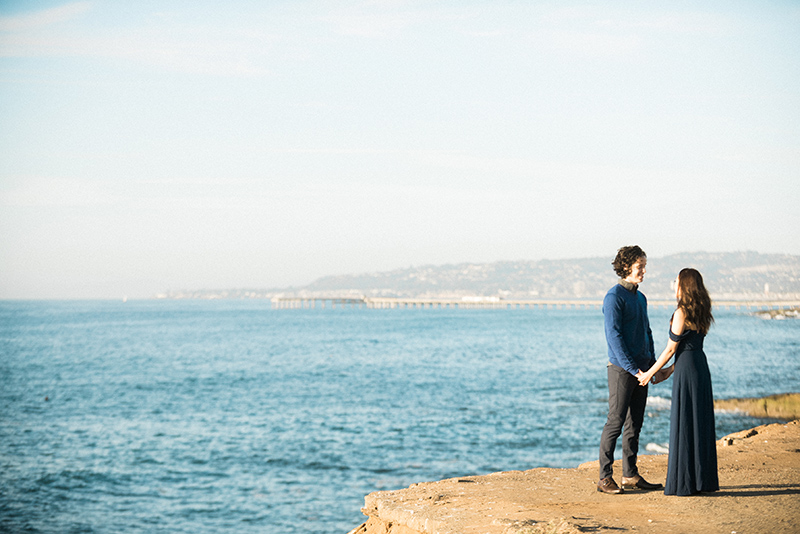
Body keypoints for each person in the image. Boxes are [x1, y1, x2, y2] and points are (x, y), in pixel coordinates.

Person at [638, 268, 719, 496]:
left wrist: (651, 372)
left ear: (684, 285)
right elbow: (690, 349)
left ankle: (685, 482)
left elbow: (671, 349)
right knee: (699, 421)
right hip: (699, 366)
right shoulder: (702, 309)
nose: (673, 283)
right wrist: (668, 371)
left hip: (686, 369)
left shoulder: (682, 312)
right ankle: (702, 480)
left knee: (685, 421)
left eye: (677, 280)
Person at [597, 245, 664, 494]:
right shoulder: (613, 297)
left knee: (635, 424)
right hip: (621, 371)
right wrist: (633, 369)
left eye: (644, 266)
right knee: (615, 422)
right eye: (640, 267)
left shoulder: (641, 297)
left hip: (642, 371)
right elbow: (614, 338)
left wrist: (653, 366)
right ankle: (604, 478)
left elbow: (646, 333)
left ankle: (630, 475)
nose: (644, 271)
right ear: (626, 268)